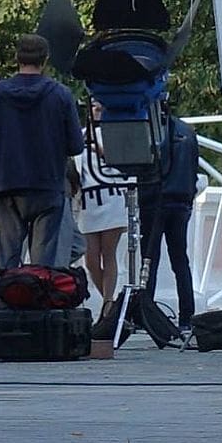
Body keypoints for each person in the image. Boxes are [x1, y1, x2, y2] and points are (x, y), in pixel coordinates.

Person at [0, 33, 85, 270]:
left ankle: (6, 293)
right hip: (48, 186)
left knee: (6, 263)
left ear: (17, 58)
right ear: (45, 59)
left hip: (8, 186)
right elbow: (76, 145)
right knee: (45, 266)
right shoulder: (60, 94)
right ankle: (40, 294)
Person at [140, 116, 204, 330]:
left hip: (154, 199)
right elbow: (193, 167)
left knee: (148, 260)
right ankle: (187, 316)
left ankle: (146, 314)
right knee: (180, 261)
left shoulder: (149, 129)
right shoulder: (187, 131)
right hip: (181, 200)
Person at [76, 102, 131, 305]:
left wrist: (97, 148)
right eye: (93, 108)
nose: (95, 112)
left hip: (110, 196)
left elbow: (121, 163)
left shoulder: (112, 134)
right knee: (90, 260)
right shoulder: (80, 134)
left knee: (108, 254)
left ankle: (108, 304)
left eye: (100, 108)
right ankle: (111, 302)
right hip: (87, 201)